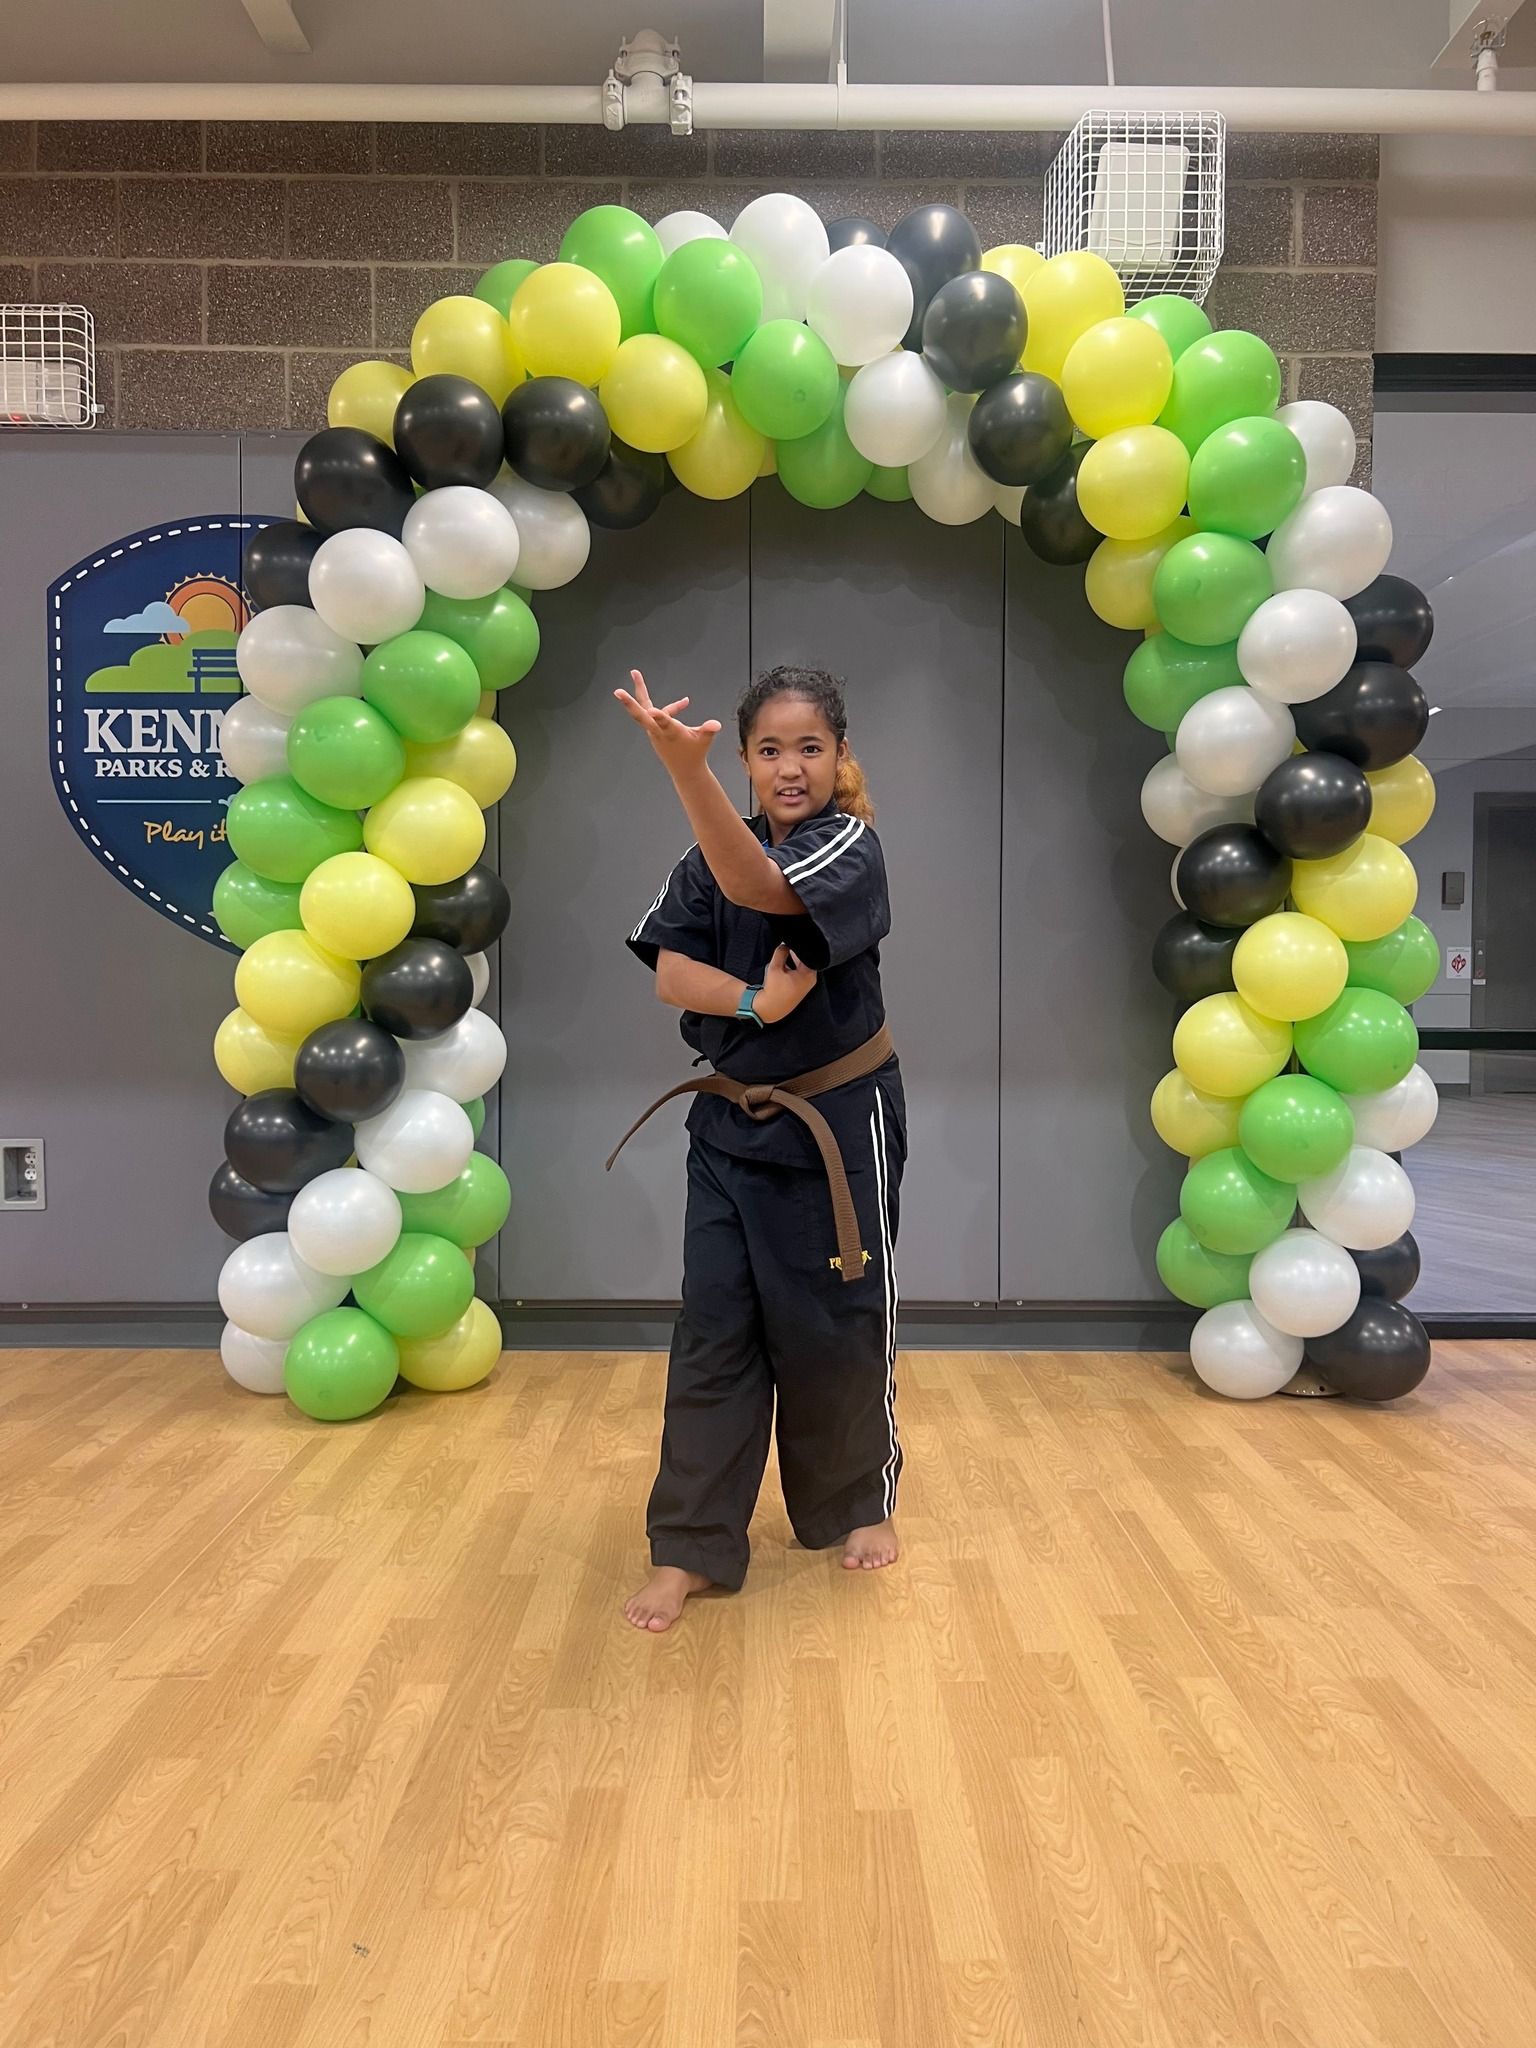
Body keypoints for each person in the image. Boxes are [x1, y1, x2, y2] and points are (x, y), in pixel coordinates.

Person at [612, 663, 906, 1632]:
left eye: (809, 748)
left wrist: (679, 768)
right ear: (744, 758)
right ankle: (690, 1546)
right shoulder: (707, 856)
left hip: (835, 1123)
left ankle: (855, 1501)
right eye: (770, 749)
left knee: (834, 1322)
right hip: (729, 1128)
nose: (790, 768)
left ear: (840, 754)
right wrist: (751, 1002)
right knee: (713, 1331)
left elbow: (764, 886)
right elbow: (672, 973)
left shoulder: (847, 845)